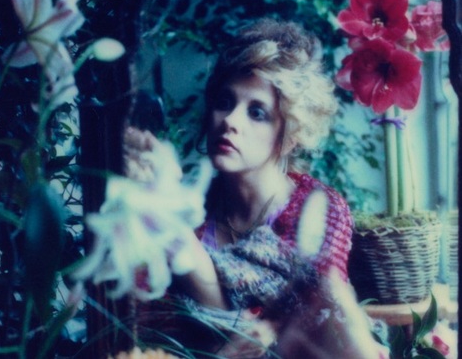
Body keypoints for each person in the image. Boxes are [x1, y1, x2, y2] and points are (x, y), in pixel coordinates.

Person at [125, 19, 384, 358]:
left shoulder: (320, 209)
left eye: (257, 112)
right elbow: (154, 327)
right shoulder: (193, 209)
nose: (230, 120)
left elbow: (301, 323)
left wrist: (168, 211)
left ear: (289, 136)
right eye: (224, 101)